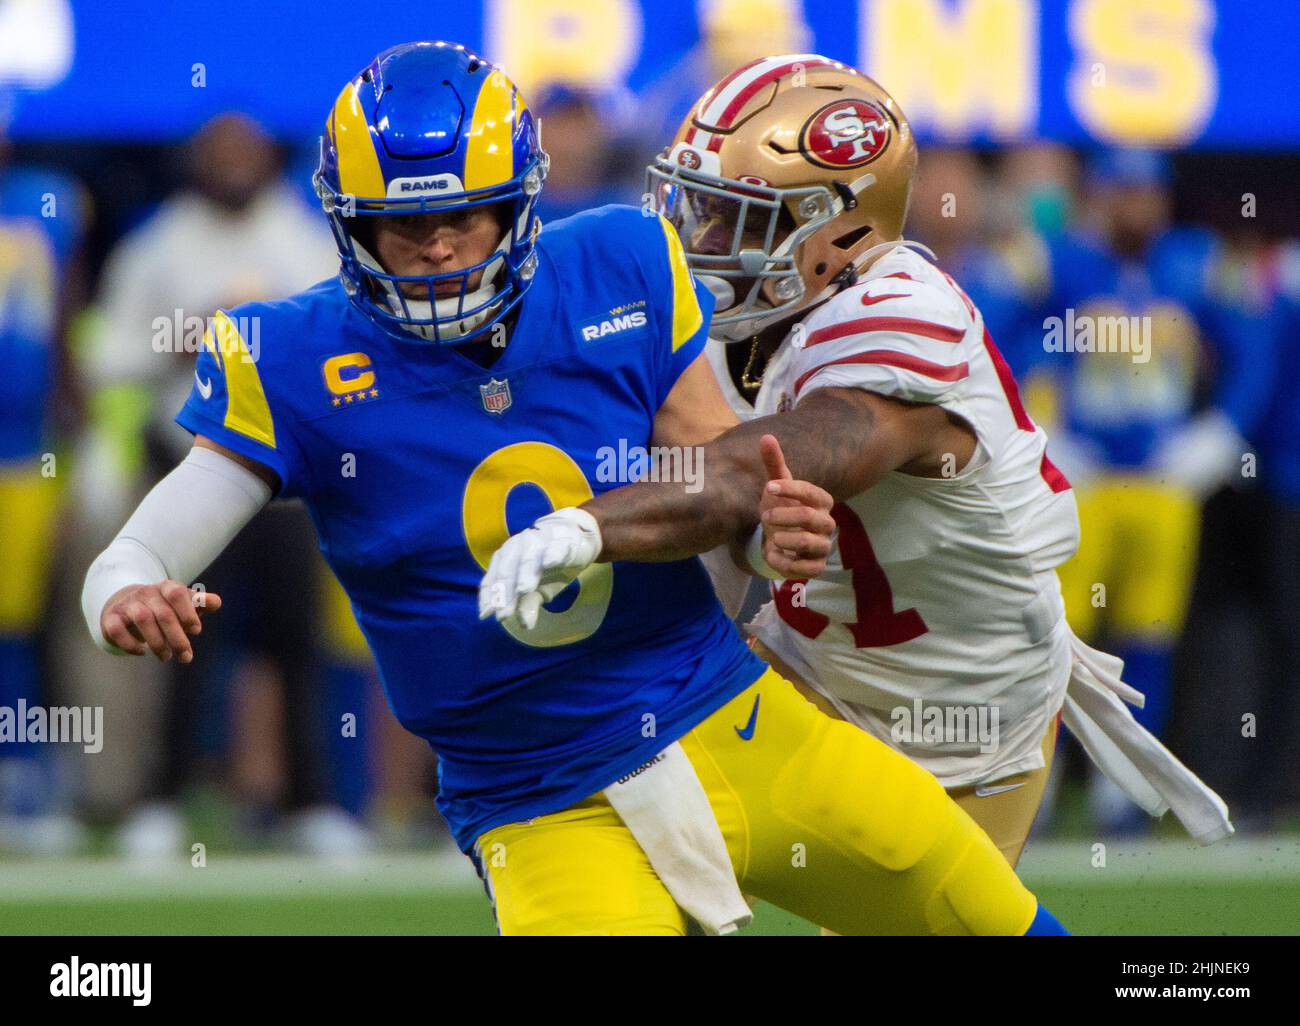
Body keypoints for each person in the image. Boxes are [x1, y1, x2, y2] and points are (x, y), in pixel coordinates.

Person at [83, 41, 1065, 936]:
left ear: (518, 203)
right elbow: (142, 549)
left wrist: (773, 537)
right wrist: (125, 589)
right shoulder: (289, 356)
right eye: (404, 224)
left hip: (731, 717)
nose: (438, 248)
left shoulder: (619, 264)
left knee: (992, 925)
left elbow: (718, 487)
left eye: (464, 216)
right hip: (536, 798)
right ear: (351, 226)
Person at [482, 55, 1233, 879]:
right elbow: (730, 499)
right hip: (808, 668)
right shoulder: (757, 316)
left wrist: (590, 525)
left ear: (838, 230)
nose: (701, 243)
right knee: (615, 844)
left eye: (738, 221)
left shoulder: (899, 317)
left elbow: (757, 472)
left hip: (962, 716)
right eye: (698, 210)